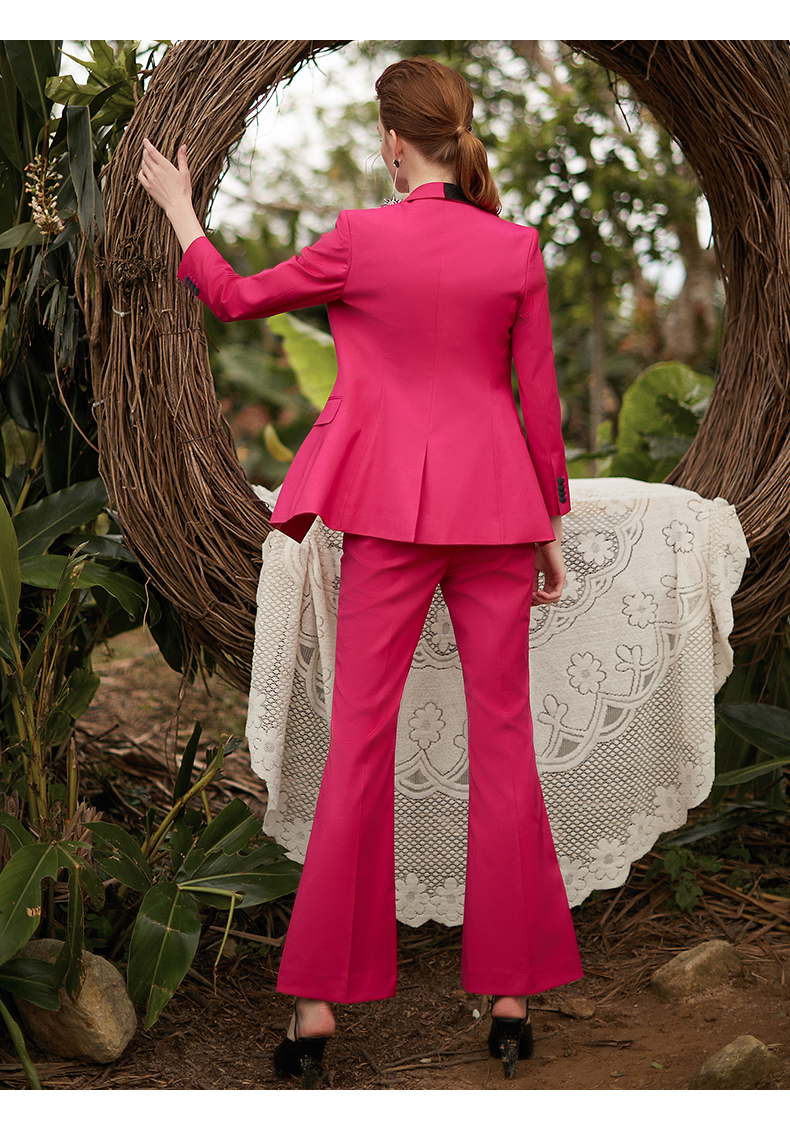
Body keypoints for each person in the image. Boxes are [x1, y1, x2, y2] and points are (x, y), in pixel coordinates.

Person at [139, 55, 583, 1085]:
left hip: (388, 513)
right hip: (497, 514)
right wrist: (548, 522)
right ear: (457, 135)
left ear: (392, 140)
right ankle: (511, 999)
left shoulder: (360, 238)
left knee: (358, 750)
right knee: (505, 747)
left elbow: (236, 299)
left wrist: (180, 212)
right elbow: (539, 397)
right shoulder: (515, 247)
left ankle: (316, 1007)